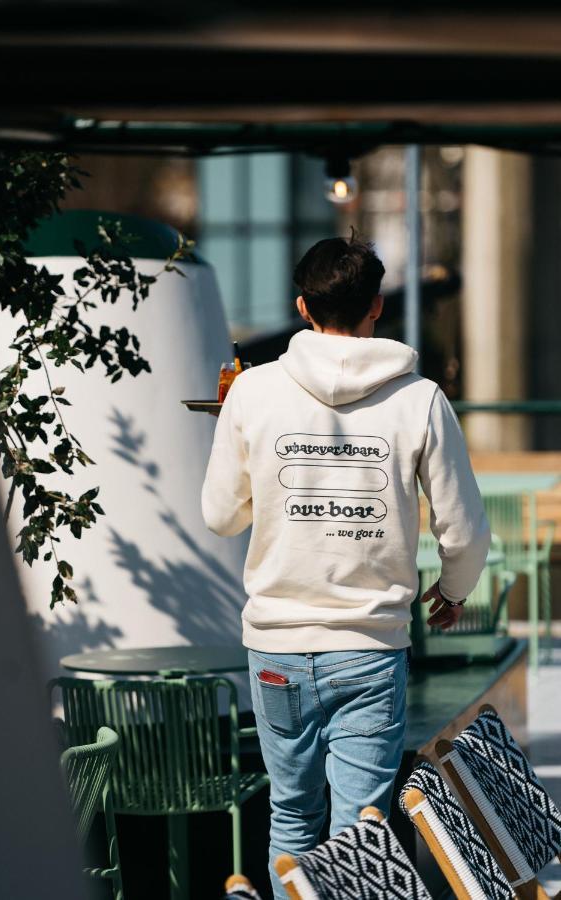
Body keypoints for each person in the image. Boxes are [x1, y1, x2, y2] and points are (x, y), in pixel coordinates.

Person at [201, 233, 490, 899]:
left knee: (290, 813)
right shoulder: (418, 401)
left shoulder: (252, 392)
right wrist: (451, 591)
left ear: (301, 307)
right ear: (376, 307)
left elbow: (221, 515)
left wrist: (271, 484)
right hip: (367, 646)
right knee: (359, 831)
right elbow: (465, 530)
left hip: (274, 644)